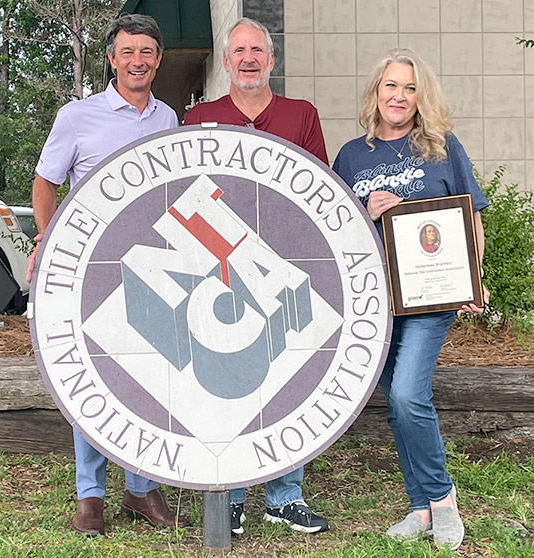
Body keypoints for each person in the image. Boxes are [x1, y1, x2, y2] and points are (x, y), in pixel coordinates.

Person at [26, 13, 187, 536]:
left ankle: (140, 489)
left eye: (147, 52)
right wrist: (49, 242)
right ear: (112, 59)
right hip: (91, 266)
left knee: (148, 374)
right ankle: (90, 495)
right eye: (128, 52)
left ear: (158, 60)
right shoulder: (78, 115)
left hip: (155, 262)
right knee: (92, 376)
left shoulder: (169, 120)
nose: (137, 61)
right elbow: (46, 183)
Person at [333, 48, 488, 550]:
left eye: (410, 88)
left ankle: (441, 498)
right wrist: (364, 206)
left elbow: (471, 220)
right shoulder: (352, 157)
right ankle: (419, 508)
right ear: (376, 92)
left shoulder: (442, 149)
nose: (399, 96)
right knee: (398, 404)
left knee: (406, 395)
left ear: (422, 97)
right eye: (391, 86)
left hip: (430, 298)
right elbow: (334, 231)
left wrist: (473, 278)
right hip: (373, 301)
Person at [183, 17, 330, 535]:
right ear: (226, 62)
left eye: (257, 51)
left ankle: (285, 495)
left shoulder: (300, 114)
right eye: (238, 50)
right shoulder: (201, 117)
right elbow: (186, 191)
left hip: (283, 266)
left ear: (272, 60)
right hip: (218, 270)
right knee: (230, 379)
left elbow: (319, 194)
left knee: (289, 378)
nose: (248, 58)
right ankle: (236, 492)